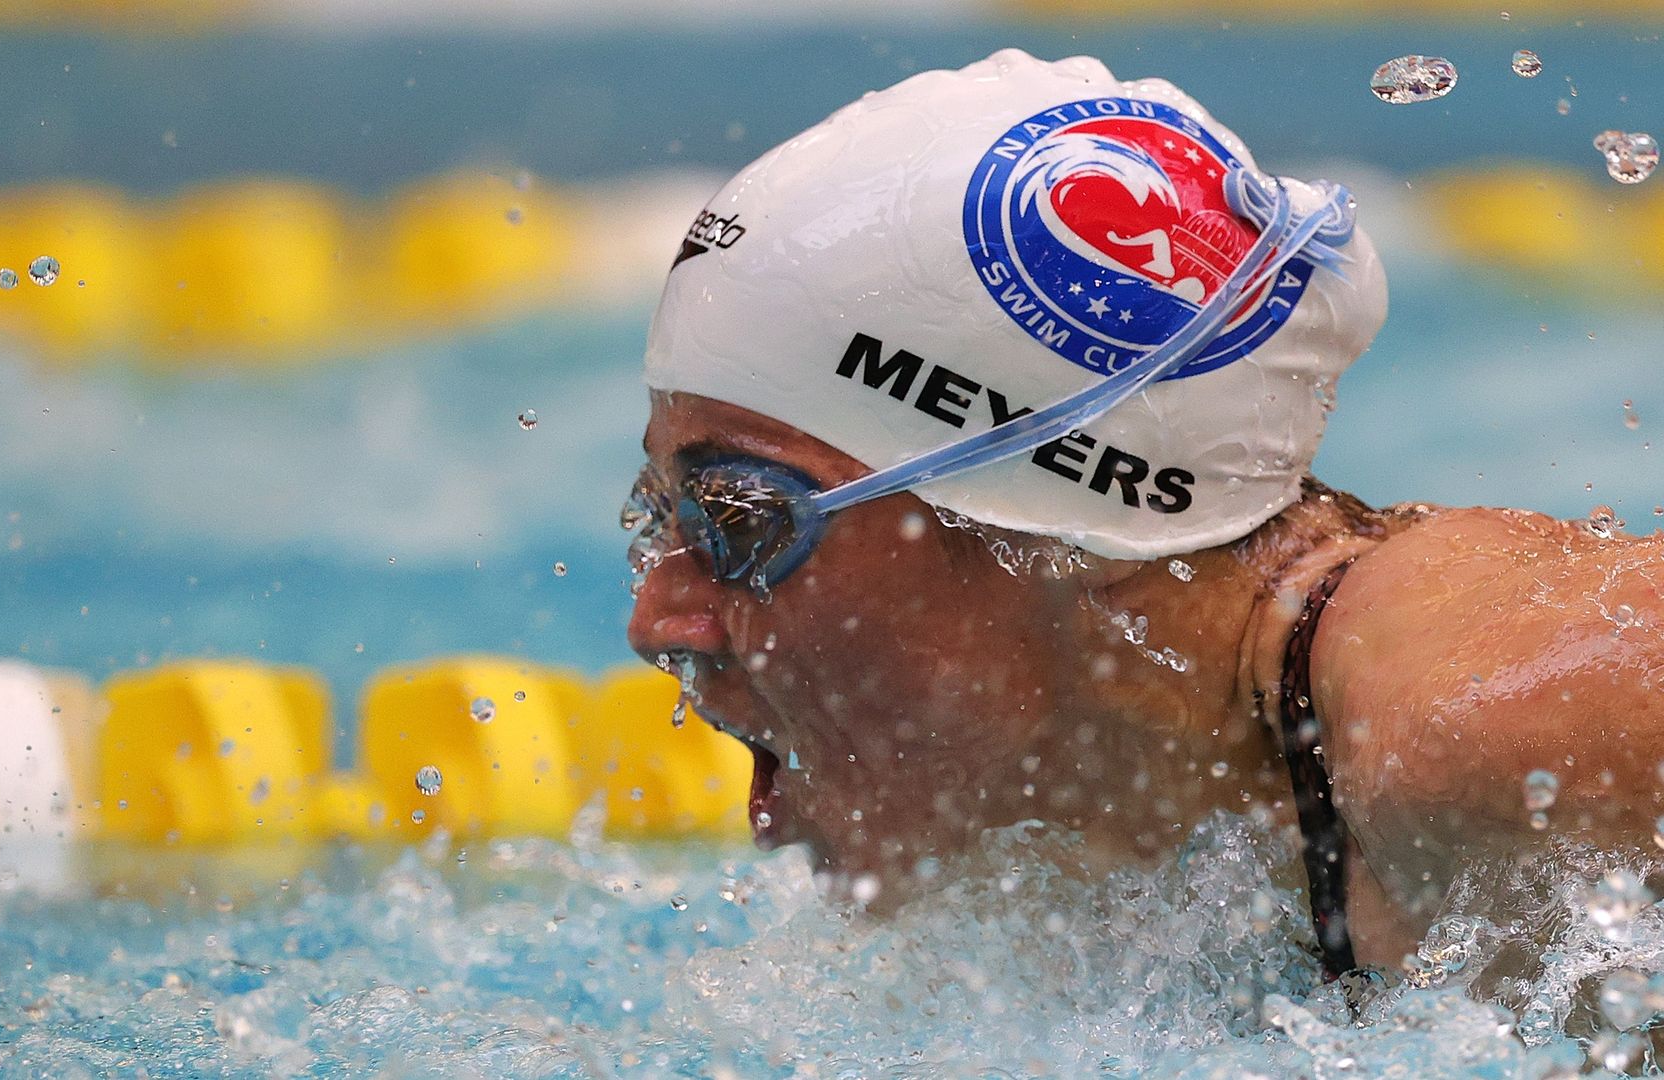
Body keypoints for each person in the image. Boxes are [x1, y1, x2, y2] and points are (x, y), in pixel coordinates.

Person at [620, 49, 1664, 979]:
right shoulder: (1097, 855)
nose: (658, 619)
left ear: (1055, 526)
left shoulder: (1497, 731)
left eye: (739, 521)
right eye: (659, 512)